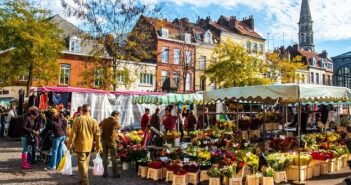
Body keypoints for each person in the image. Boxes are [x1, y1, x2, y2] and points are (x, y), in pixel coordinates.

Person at [69, 104, 102, 185]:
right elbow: (97, 135)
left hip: (80, 145)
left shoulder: (78, 119)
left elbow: (73, 134)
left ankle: (85, 181)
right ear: (89, 111)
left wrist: (70, 143)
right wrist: (98, 146)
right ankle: (82, 179)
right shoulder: (93, 120)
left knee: (82, 164)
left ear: (81, 111)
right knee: (85, 163)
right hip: (89, 145)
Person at [100, 111, 121, 178]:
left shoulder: (104, 120)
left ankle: (105, 173)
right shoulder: (114, 121)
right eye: (118, 116)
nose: (118, 117)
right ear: (115, 115)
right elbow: (119, 127)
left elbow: (99, 126)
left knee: (104, 157)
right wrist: (117, 121)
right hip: (111, 141)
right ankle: (115, 174)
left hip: (104, 141)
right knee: (114, 157)